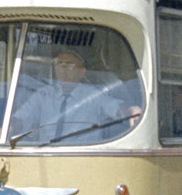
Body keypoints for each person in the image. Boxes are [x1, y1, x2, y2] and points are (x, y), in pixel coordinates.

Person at [12, 49, 140, 144]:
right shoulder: (44, 94)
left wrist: (132, 110)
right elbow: (20, 119)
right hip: (46, 157)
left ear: (82, 71)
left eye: (70, 65)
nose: (63, 69)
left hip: (81, 158)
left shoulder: (93, 95)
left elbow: (116, 107)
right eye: (59, 64)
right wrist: (0, 136)